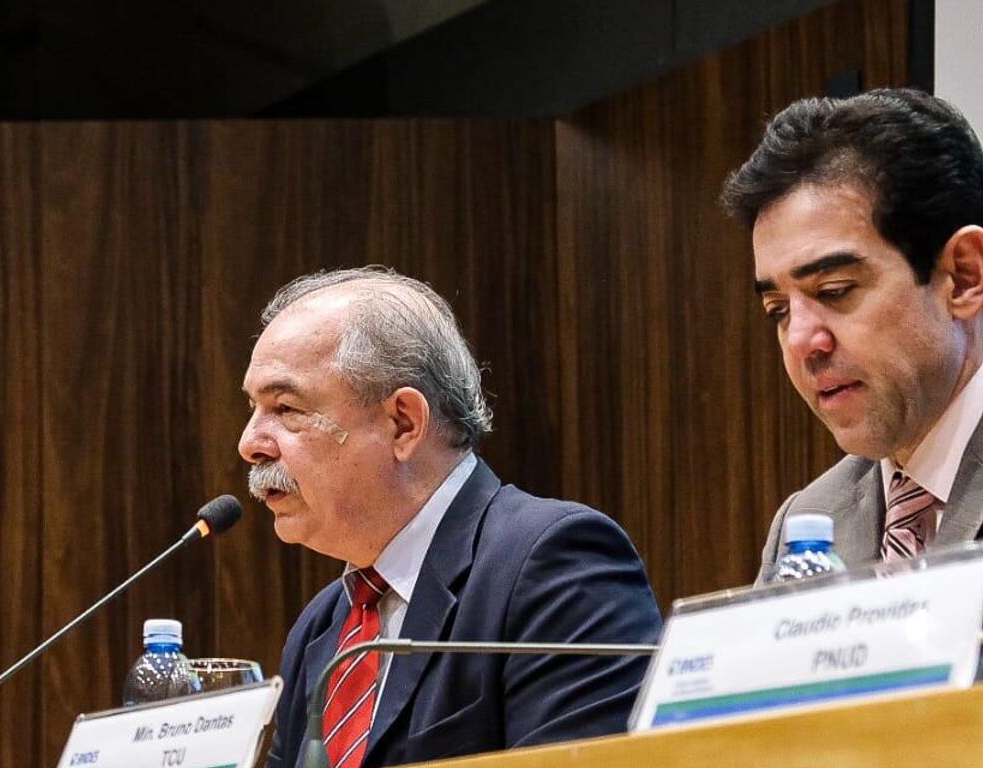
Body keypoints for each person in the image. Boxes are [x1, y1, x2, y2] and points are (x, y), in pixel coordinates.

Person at [241, 267, 660, 768]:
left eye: (285, 408)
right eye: (253, 408)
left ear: (403, 423)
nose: (249, 444)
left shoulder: (553, 562)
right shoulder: (322, 627)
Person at [722, 88, 983, 582]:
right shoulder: (809, 522)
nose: (801, 342)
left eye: (836, 290)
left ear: (964, 276)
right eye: (777, 309)